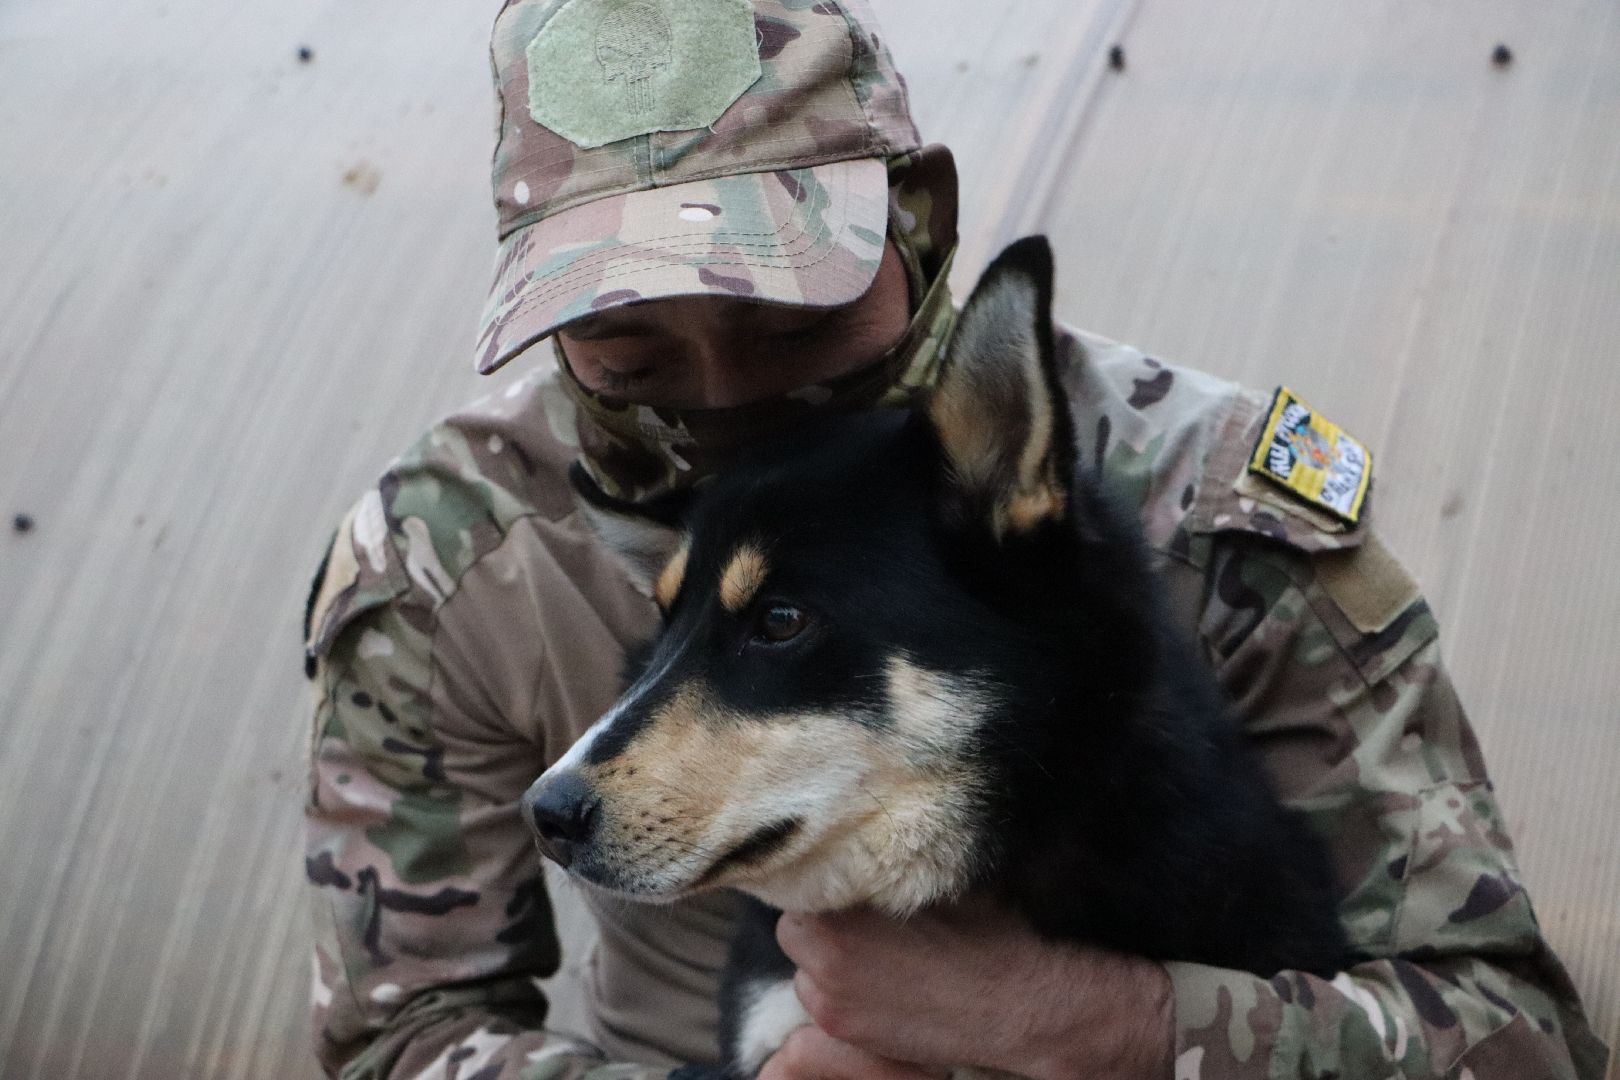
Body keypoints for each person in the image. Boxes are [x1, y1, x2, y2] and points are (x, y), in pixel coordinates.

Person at [302, 2, 1608, 1078]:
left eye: (791, 326)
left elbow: (1520, 1045)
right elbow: (400, 1039)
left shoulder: (1201, 505)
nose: (726, 405)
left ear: (915, 222)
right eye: (626, 348)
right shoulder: (457, 557)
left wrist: (1090, 1025)